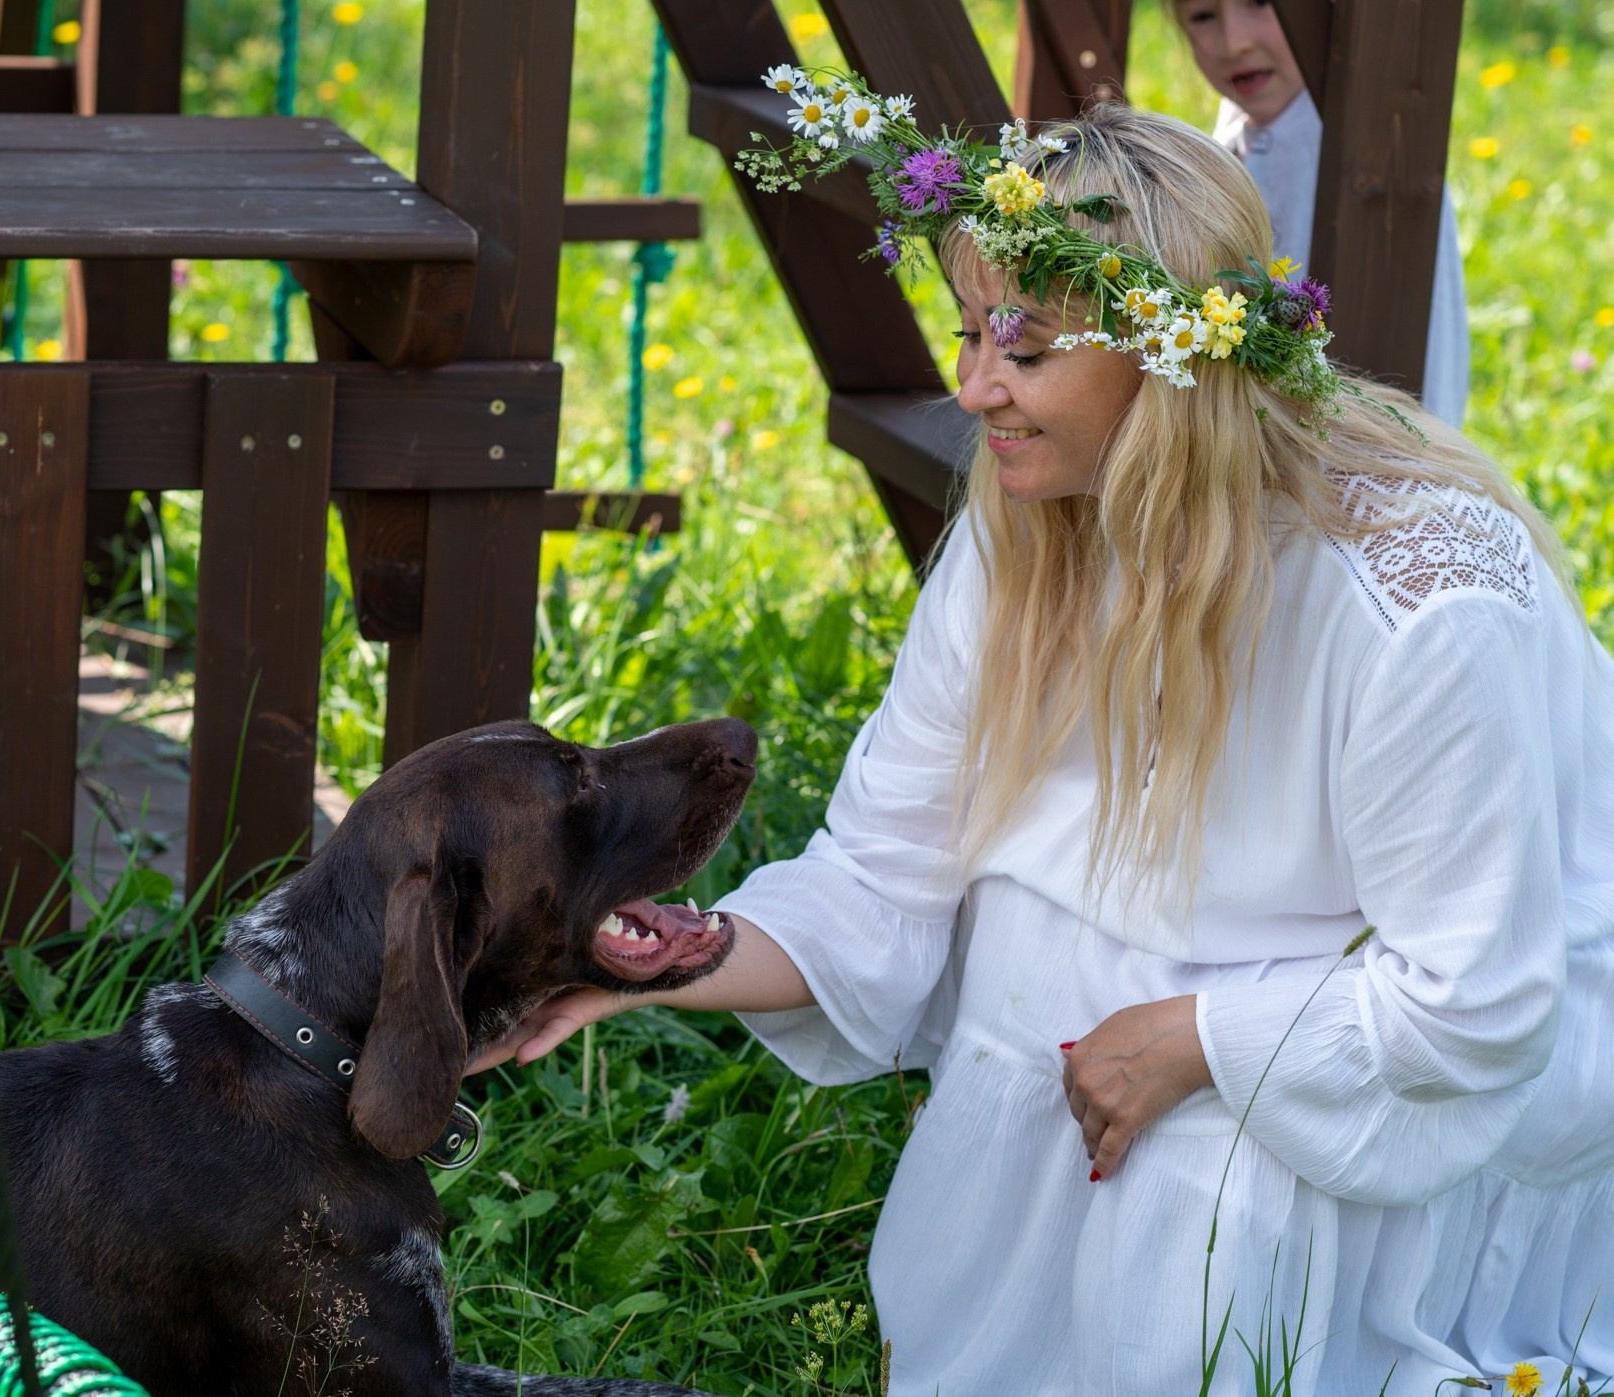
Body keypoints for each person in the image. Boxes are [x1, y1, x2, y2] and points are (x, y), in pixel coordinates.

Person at [475, 102, 1614, 1395]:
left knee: (1201, 1177)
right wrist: (674, 960)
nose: (972, 386)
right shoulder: (1033, 528)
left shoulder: (1415, 603)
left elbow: (1482, 1005)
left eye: (1021, 345)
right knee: (1031, 939)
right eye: (967, 332)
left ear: (1167, 353)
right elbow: (888, 870)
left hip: (1437, 1078)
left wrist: (1194, 1039)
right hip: (1166, 1017)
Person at [1172, 0, 1473, 428]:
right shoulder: (1228, 139)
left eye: (1260, 3)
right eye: (1202, 16)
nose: (1234, 43)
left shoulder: (1363, 157)